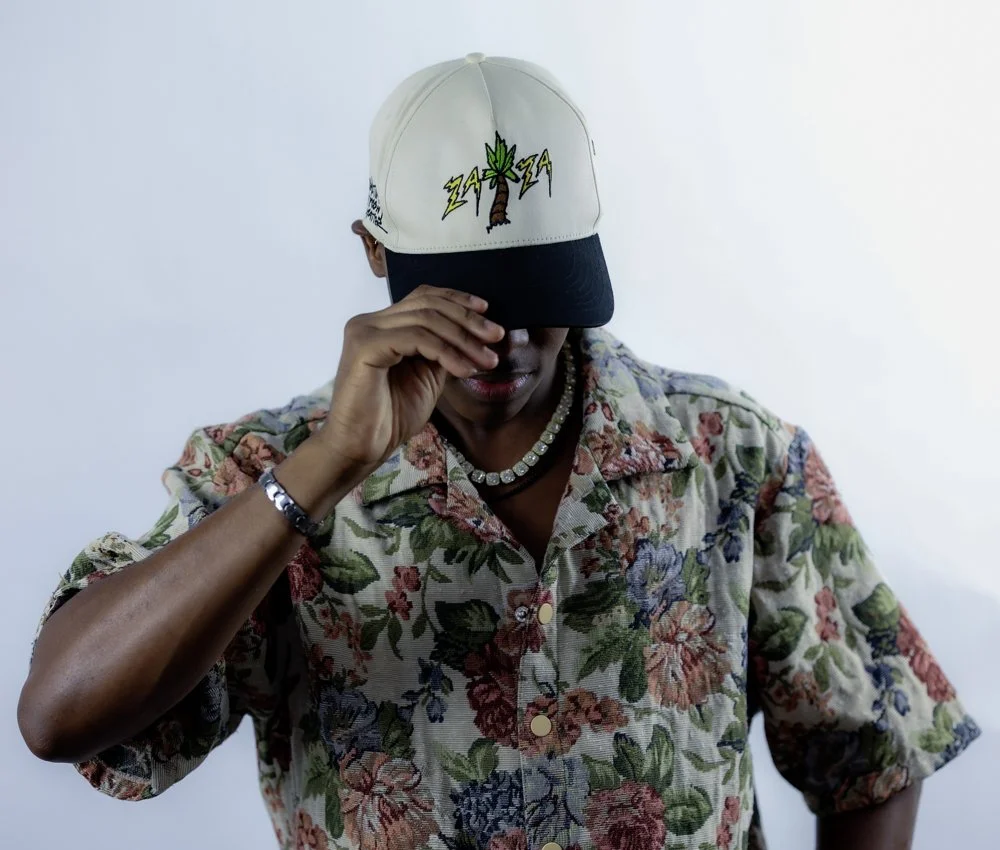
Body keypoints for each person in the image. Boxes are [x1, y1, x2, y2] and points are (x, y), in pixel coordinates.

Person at [19, 53, 978, 850]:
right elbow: (59, 715)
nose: (503, 337)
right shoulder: (260, 471)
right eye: (464, 298)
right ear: (373, 254)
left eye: (535, 286)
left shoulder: (732, 455)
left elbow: (873, 751)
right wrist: (326, 468)